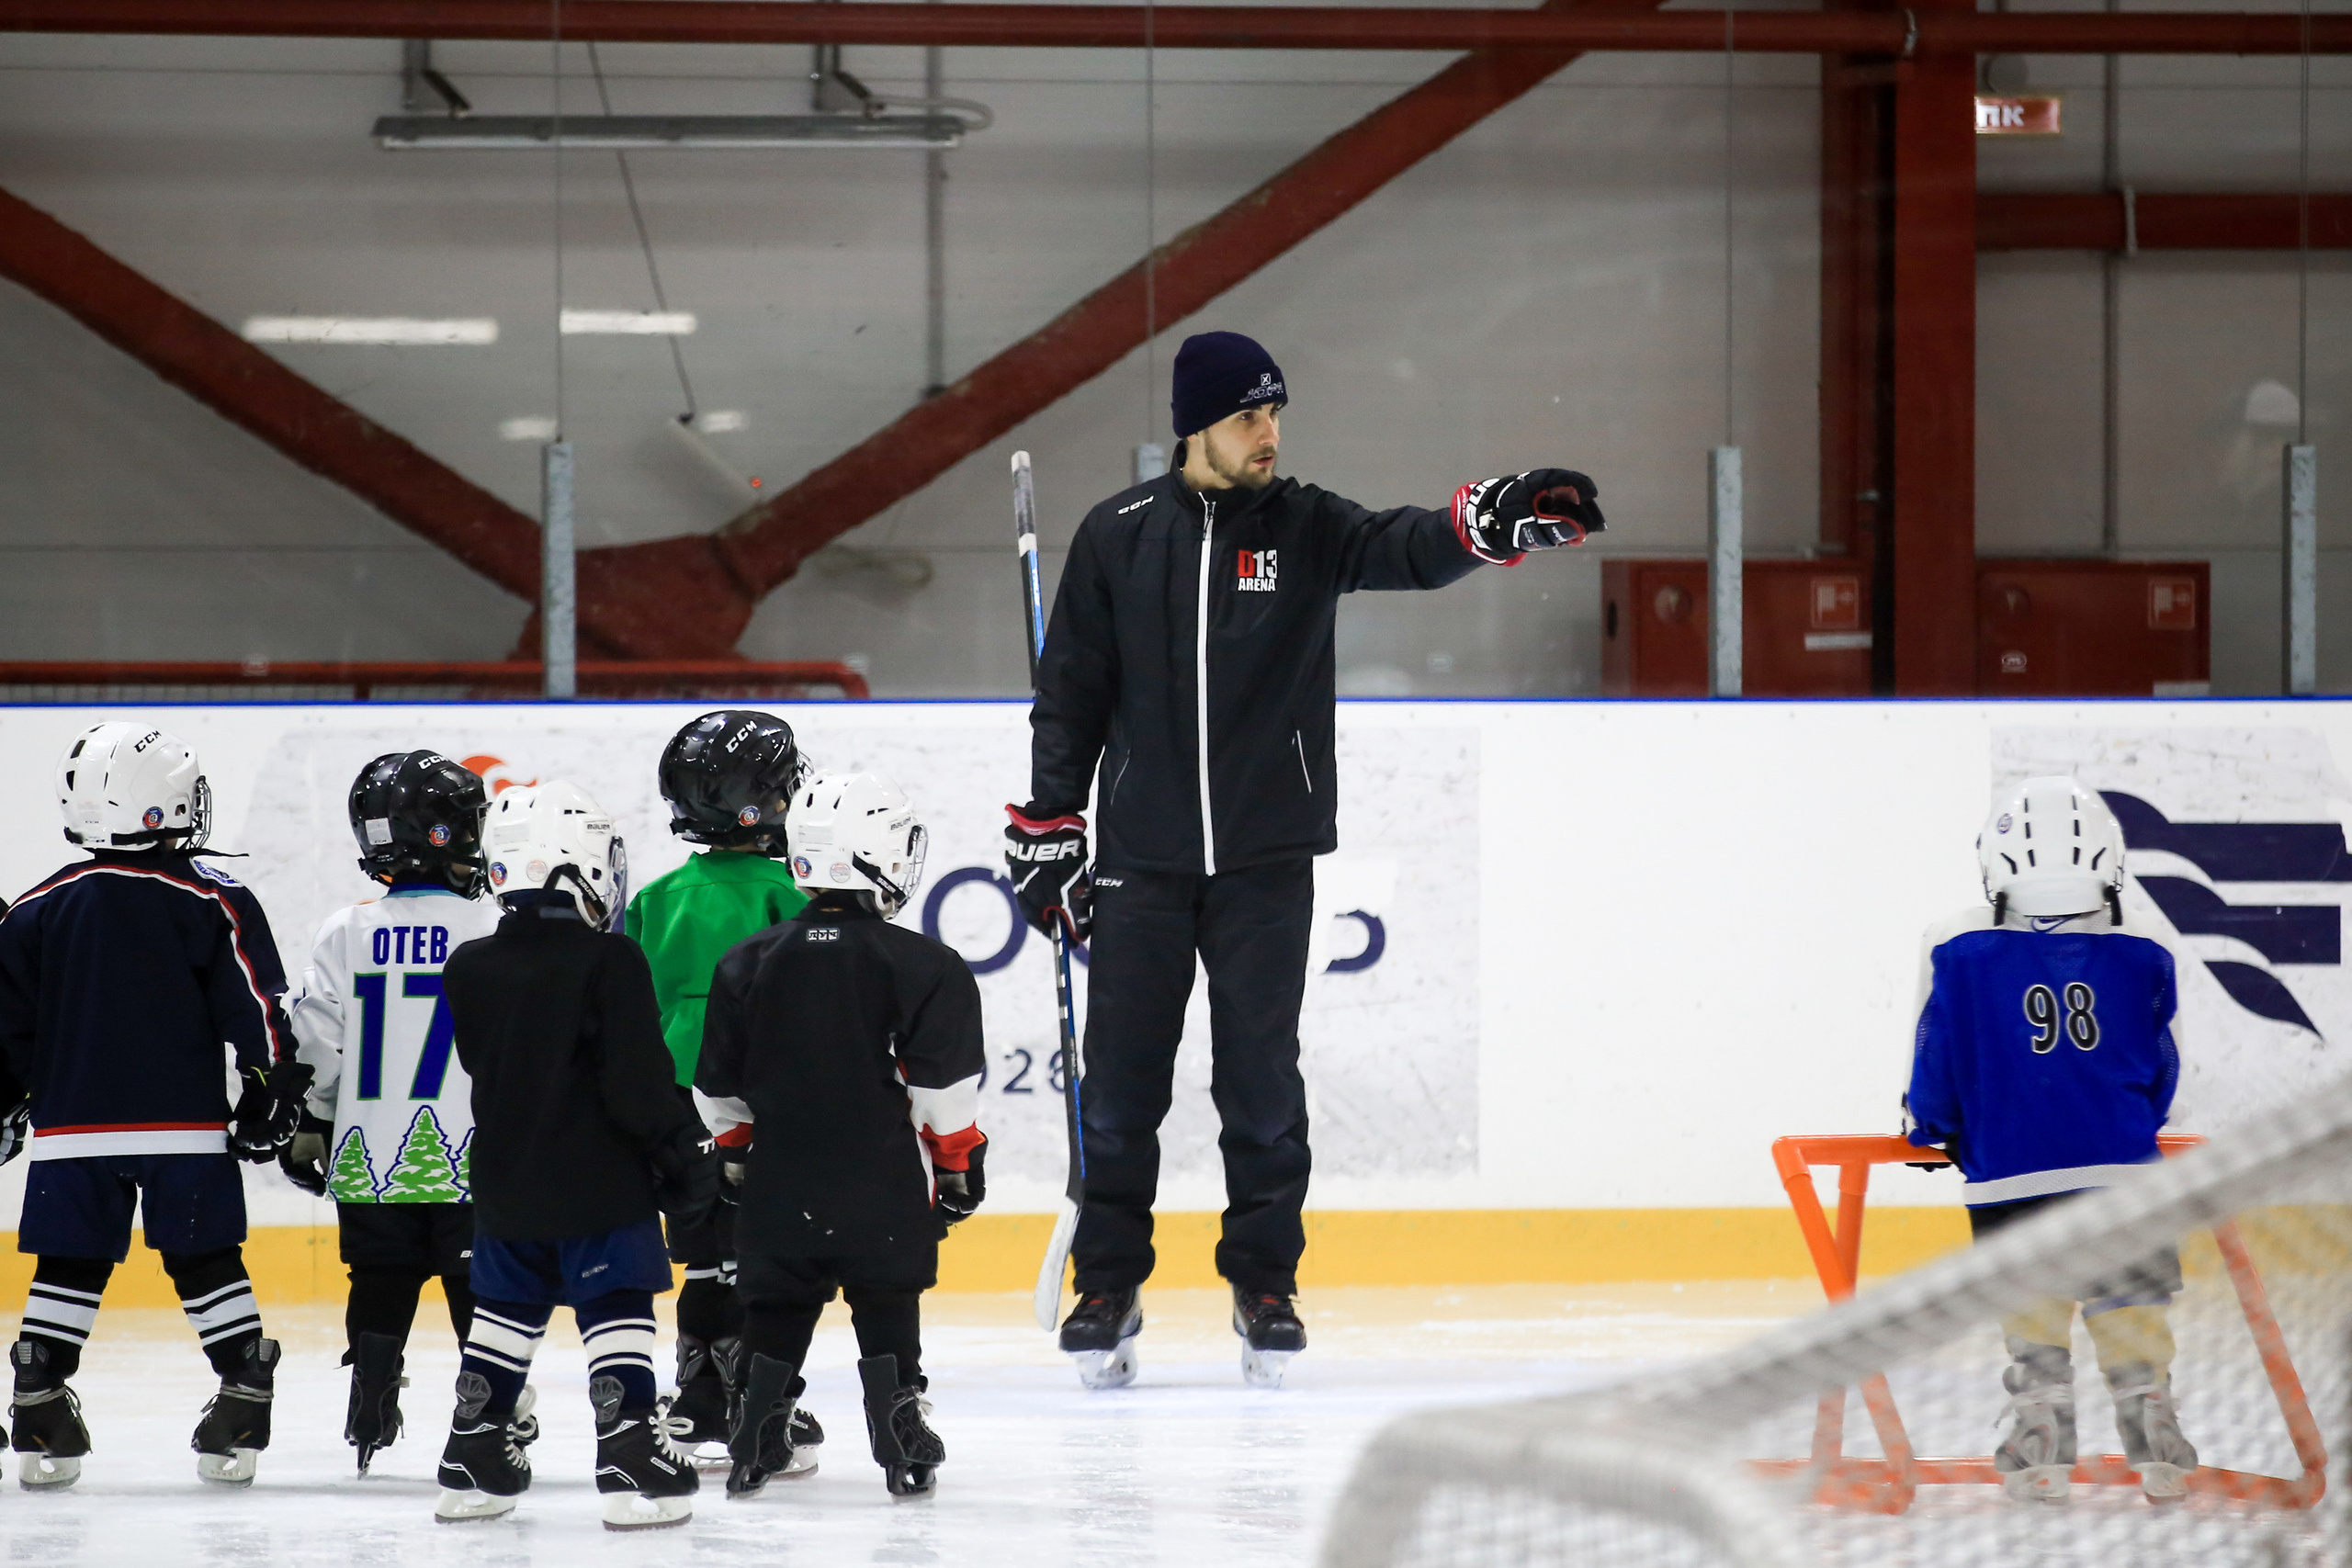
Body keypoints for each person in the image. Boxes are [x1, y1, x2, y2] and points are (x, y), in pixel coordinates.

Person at [1008, 329, 1604, 1389]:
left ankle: (1265, 1285)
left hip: (1265, 861)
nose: (1268, 434)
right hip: (1142, 862)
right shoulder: (1118, 534)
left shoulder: (1306, 524)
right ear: (1197, 424)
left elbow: (1404, 546)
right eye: (1249, 415)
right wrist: (1050, 826)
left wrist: (1490, 519)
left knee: (1261, 1086)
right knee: (1120, 1092)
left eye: (1275, 414)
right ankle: (1108, 1284)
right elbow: (1071, 695)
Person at [0, 721, 312, 1488]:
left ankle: (39, 1391)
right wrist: (267, 1089)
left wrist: (7, 1105)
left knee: (68, 1264)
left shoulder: (36, 907)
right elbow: (256, 1005)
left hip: (71, 1133)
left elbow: (9, 1029)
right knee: (205, 1260)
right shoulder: (210, 895)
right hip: (185, 1130)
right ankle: (243, 1388)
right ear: (160, 803)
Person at [433, 781, 721, 1531]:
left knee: (504, 1312)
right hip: (600, 1183)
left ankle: (472, 1450)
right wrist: (683, 1145)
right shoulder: (611, 958)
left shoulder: (467, 965)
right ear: (578, 862)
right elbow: (636, 1083)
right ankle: (629, 1450)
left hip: (504, 1183)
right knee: (616, 1305)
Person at [1903, 775, 2199, 1505]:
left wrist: (1930, 1129)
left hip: (2011, 1171)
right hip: (2126, 1174)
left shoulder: (1956, 940)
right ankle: (2151, 1416)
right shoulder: (2145, 943)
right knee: (2130, 1299)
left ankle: (2041, 1432)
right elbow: (2167, 1071)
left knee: (2031, 1301)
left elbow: (1935, 1064)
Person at [698, 771, 984, 1499]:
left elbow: (719, 1090)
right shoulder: (927, 965)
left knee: (778, 1301)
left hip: (779, 1182)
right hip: (882, 1182)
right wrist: (958, 1164)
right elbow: (943, 1094)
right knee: (886, 1294)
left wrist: (736, 1156)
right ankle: (898, 1420)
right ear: (877, 853)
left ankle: (757, 1425)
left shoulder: (745, 961)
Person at [280, 750, 507, 1474]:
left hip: (368, 1153)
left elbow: (316, 1040)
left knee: (379, 1278)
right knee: (476, 1285)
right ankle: (488, 1412)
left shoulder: (345, 929)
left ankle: (371, 1394)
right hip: (471, 1152)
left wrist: (315, 1119)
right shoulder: (494, 924)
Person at [631, 709, 819, 1471]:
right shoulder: (789, 894)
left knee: (705, 1257)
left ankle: (699, 1395)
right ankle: (761, 1400)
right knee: (760, 1259)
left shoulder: (655, 898)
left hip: (677, 1105)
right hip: (754, 1105)